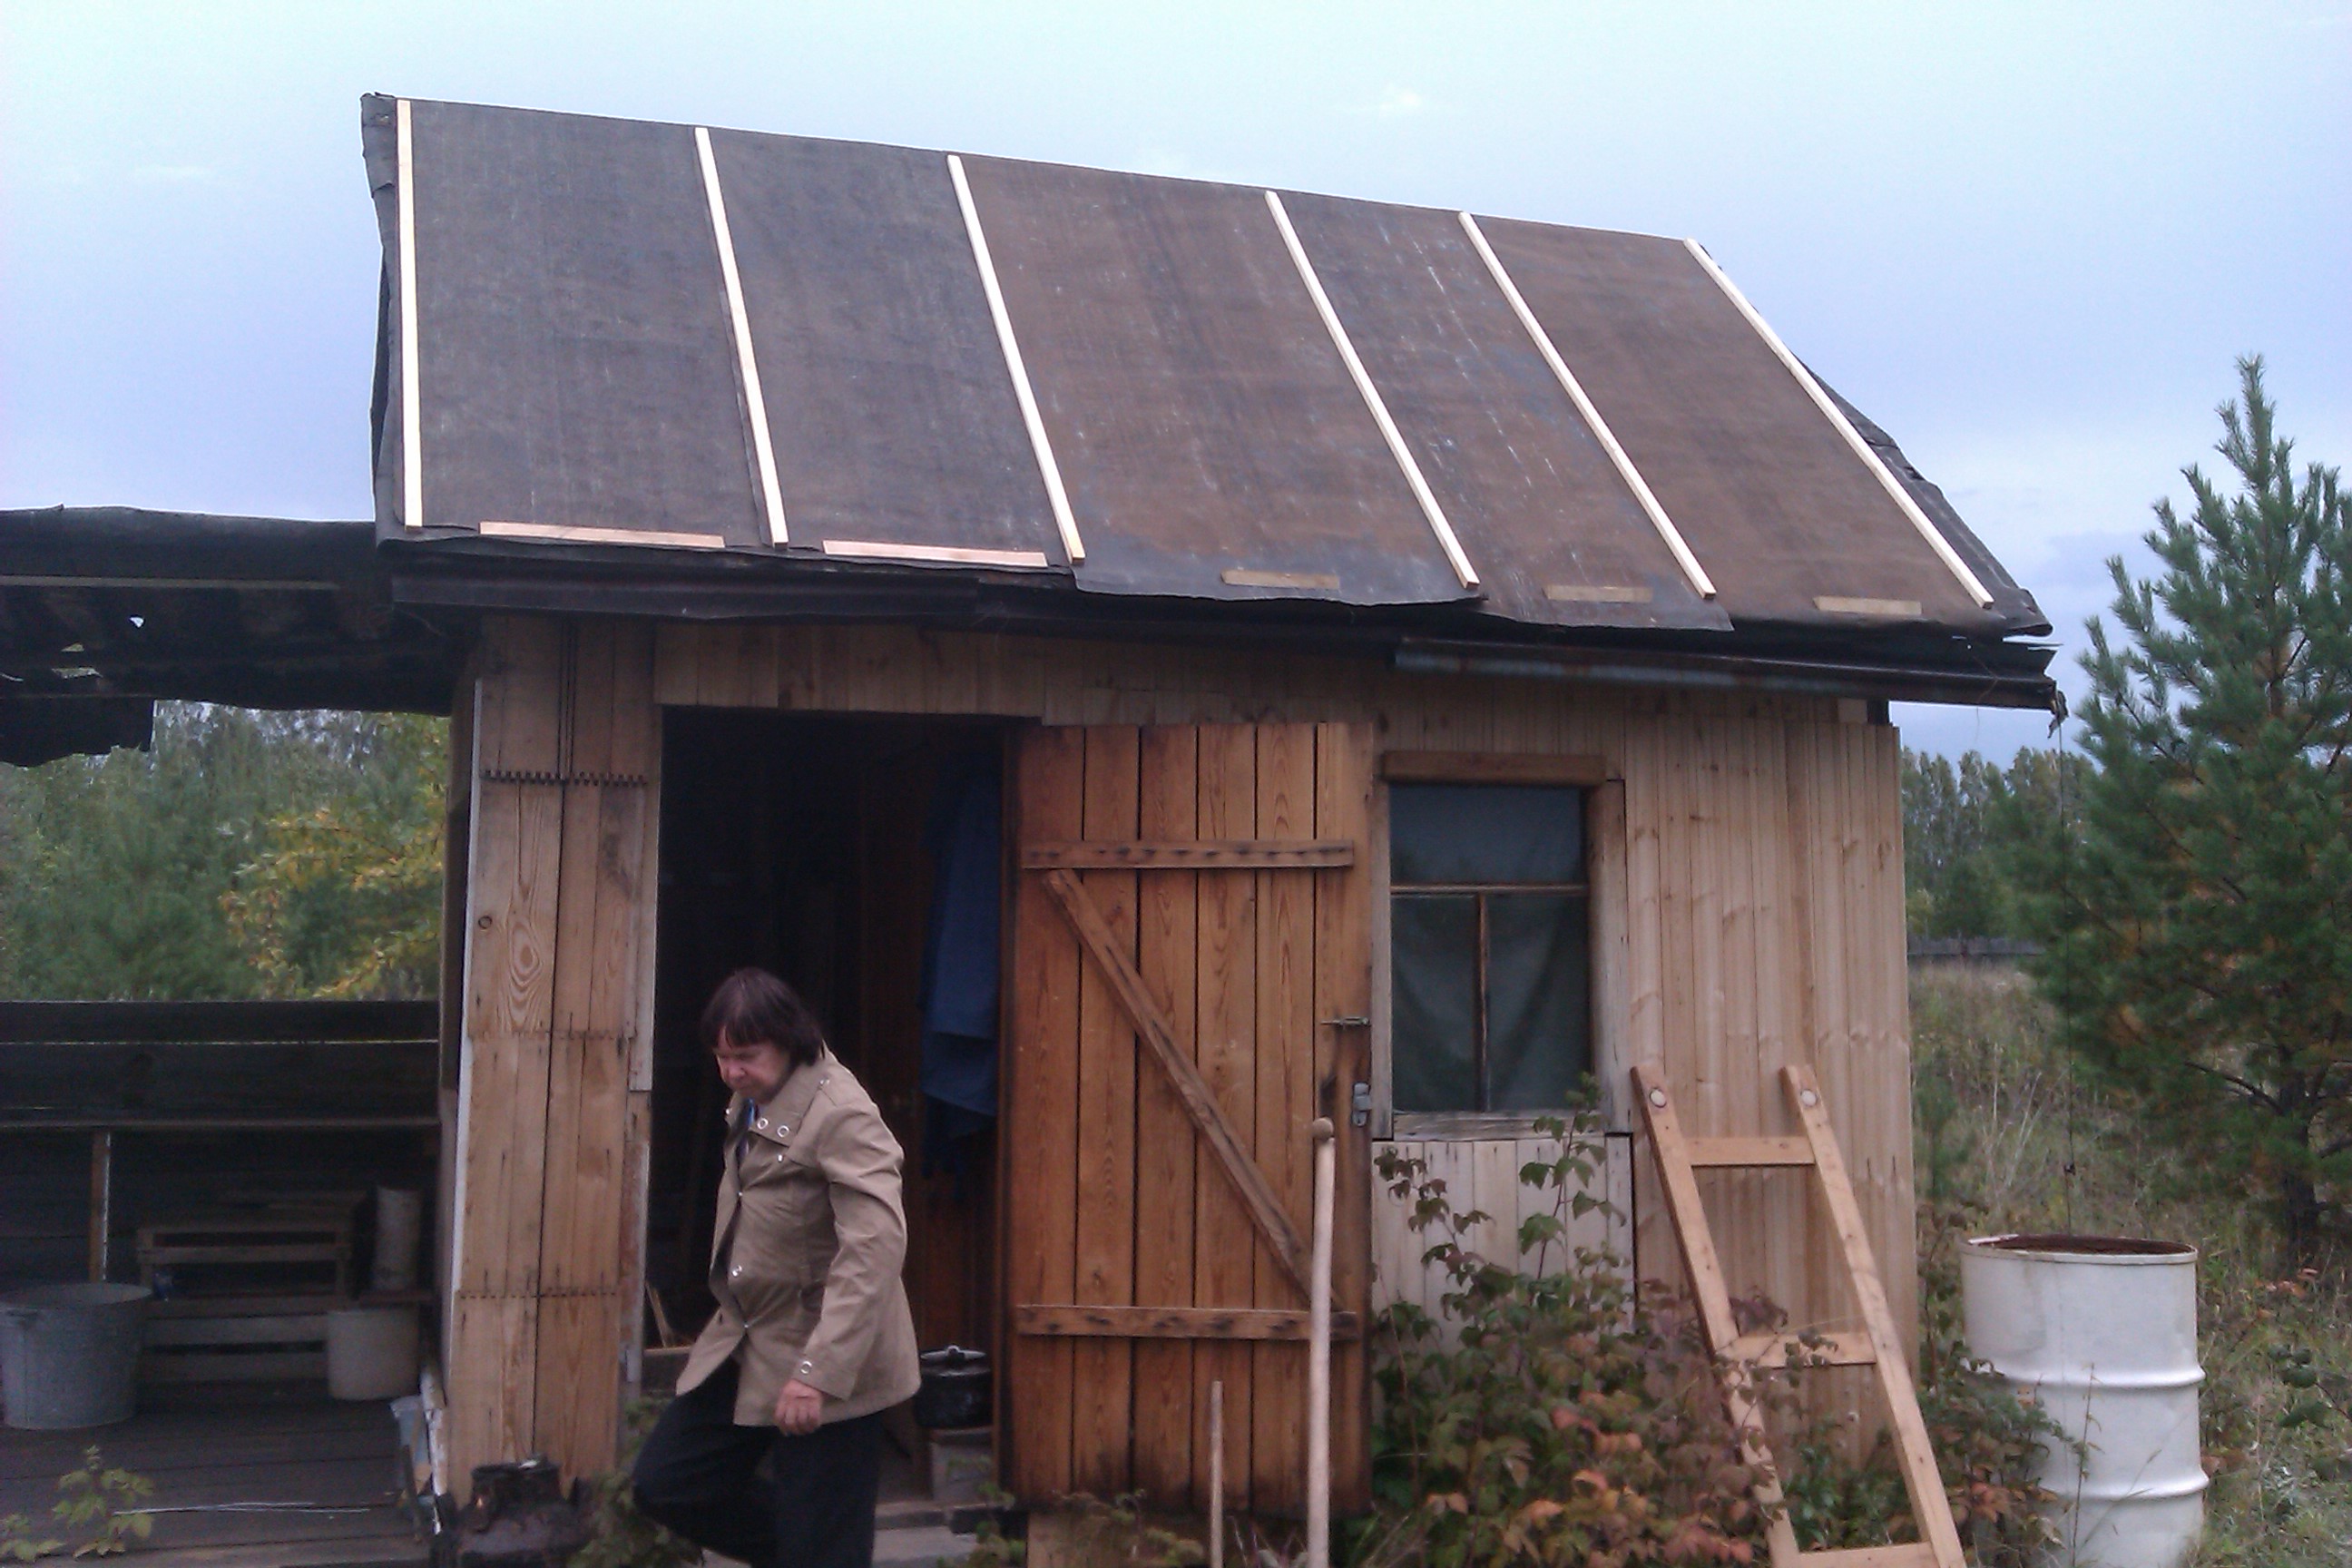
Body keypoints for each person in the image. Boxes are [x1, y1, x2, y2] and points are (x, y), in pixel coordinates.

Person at [633, 968, 921, 1568]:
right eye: (720, 1057)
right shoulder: (755, 1097)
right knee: (667, 1483)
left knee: (823, 1546)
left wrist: (817, 1372)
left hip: (831, 1361)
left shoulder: (842, 1115)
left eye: (744, 1056)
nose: (730, 1072)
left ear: (790, 1041)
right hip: (749, 1340)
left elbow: (874, 1250)